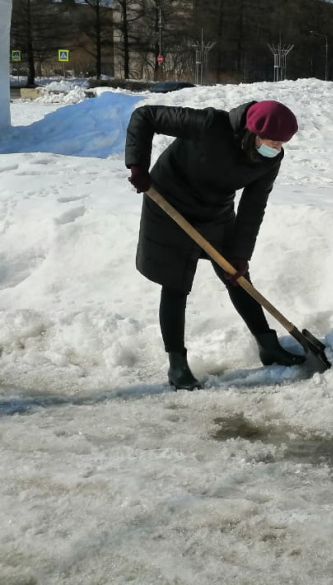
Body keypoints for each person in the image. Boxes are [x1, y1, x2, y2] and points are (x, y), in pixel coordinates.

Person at [125, 99, 306, 390]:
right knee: (176, 282)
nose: (275, 147)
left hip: (214, 211)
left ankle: (268, 346)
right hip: (169, 202)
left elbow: (253, 205)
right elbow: (145, 116)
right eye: (271, 141)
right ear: (252, 131)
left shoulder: (271, 157)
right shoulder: (210, 125)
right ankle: (177, 366)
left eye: (281, 143)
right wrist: (138, 165)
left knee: (237, 276)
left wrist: (241, 254)